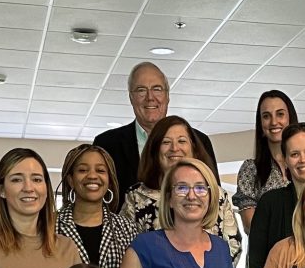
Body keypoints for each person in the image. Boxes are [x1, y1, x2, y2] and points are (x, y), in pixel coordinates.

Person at [120, 115, 241, 263]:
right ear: (155, 149)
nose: (174, 148)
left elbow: (233, 247)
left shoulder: (216, 194)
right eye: (166, 142)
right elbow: (125, 249)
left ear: (194, 148)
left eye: (182, 141)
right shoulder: (136, 196)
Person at [93, 62, 217, 196]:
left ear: (167, 96)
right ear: (131, 97)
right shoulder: (107, 144)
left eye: (157, 89)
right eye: (141, 90)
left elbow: (215, 195)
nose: (150, 97)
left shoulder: (199, 140)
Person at [55, 143, 139, 268]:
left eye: (100, 170)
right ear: (70, 180)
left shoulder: (128, 229)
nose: (92, 176)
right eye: (82, 170)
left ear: (109, 180)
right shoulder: (51, 226)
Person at [233, 90, 298, 231]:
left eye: (280, 114)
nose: (274, 122)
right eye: (266, 116)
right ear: (260, 123)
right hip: (267, 250)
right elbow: (251, 226)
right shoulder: (250, 169)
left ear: (290, 118)